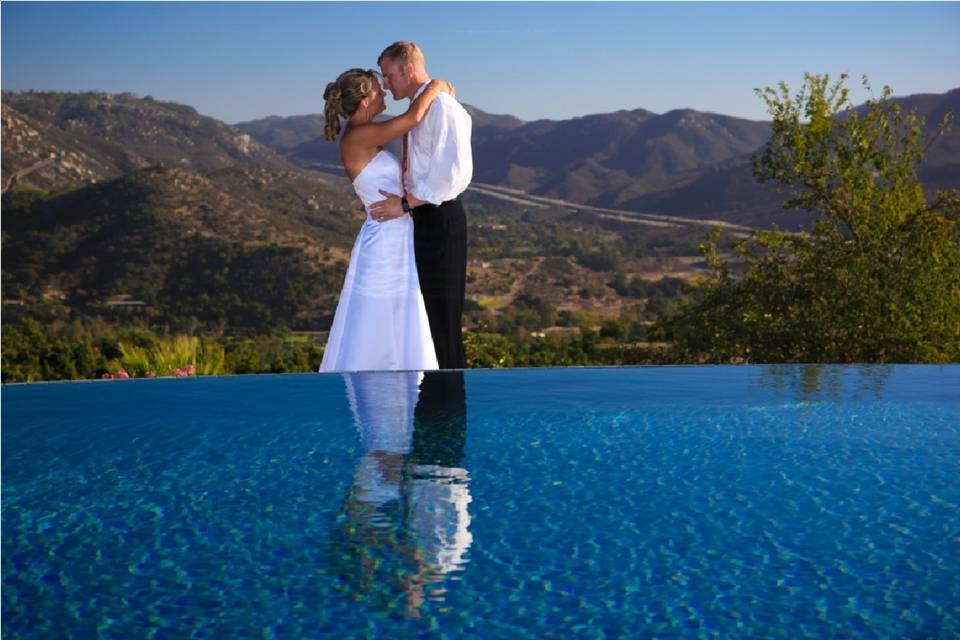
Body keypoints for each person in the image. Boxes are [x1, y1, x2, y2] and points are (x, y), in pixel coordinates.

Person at [318, 68, 453, 372]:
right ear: (365, 101)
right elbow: (412, 119)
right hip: (384, 242)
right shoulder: (359, 135)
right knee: (381, 321)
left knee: (397, 318)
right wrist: (436, 86)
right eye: (378, 90)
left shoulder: (362, 134)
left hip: (394, 236)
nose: (384, 94)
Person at [370, 42, 473, 369]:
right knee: (428, 321)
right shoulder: (425, 104)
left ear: (407, 69)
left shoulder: (440, 106)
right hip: (425, 218)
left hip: (440, 218)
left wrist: (404, 204)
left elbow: (453, 175)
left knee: (442, 321)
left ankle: (450, 411)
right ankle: (434, 407)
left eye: (388, 76)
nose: (386, 84)